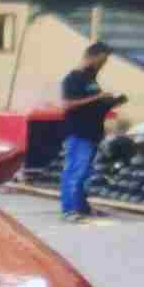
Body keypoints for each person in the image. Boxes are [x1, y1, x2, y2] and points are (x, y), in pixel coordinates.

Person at [58, 42, 128, 223]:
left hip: (93, 133)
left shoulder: (91, 80)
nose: (103, 65)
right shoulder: (73, 78)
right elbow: (67, 104)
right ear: (91, 56)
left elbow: (93, 105)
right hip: (79, 133)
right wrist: (98, 97)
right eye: (101, 60)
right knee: (75, 171)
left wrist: (111, 102)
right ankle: (69, 210)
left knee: (85, 174)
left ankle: (82, 207)